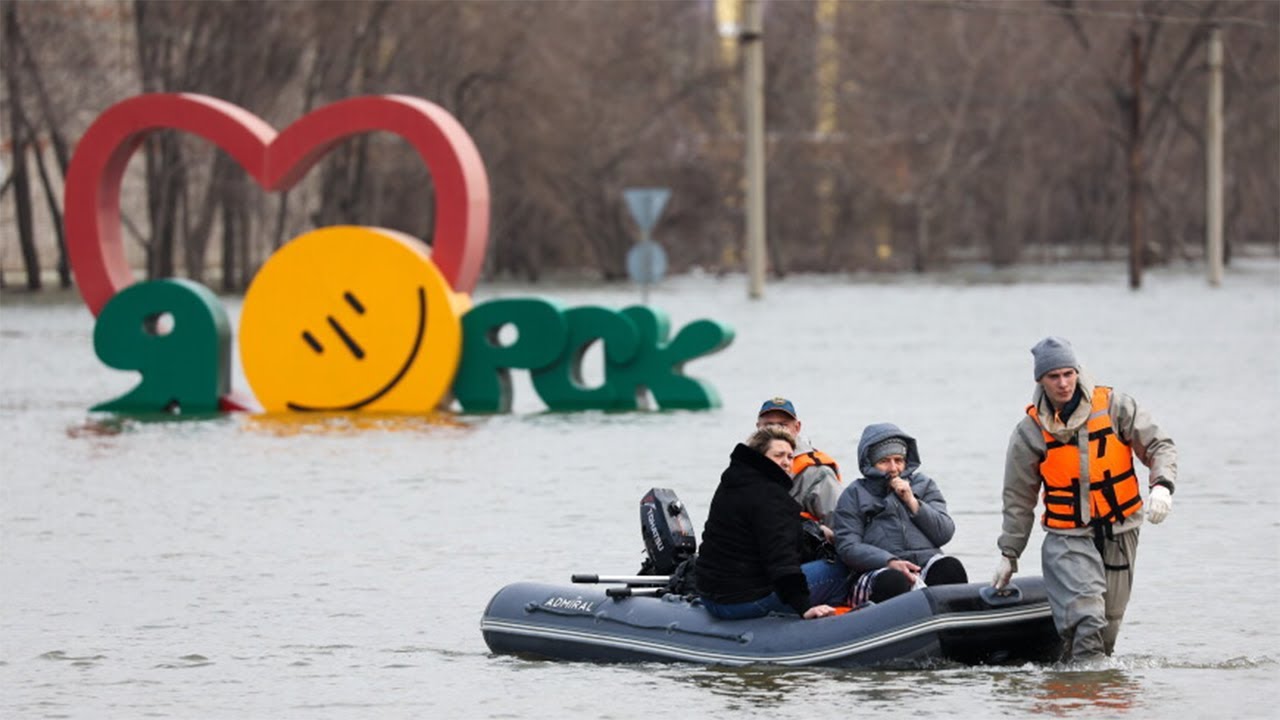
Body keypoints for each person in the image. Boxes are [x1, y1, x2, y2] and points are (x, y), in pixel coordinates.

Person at [992, 336, 1177, 662]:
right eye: (1054, 376)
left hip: (1121, 529)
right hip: (1068, 536)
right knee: (1087, 617)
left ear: (1077, 372)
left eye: (1068, 373)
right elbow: (1018, 498)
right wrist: (1009, 552)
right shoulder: (1030, 432)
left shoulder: (1115, 406)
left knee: (1107, 629)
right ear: (1040, 380)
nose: (1063, 383)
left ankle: (1083, 694)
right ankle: (1081, 691)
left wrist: (1162, 485)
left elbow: (1159, 445)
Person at [696, 425, 848, 620]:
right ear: (761, 456)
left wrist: (815, 528)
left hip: (712, 598)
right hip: (744, 602)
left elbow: (759, 519)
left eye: (790, 457)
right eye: (779, 455)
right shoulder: (771, 497)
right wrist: (803, 606)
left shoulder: (732, 483)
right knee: (838, 570)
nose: (786, 462)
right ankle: (827, 625)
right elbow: (781, 559)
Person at [833, 423, 968, 605]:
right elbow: (848, 546)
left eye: (898, 460)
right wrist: (889, 561)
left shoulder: (924, 485)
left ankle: (956, 628)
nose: (893, 468)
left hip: (924, 563)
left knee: (950, 568)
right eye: (884, 461)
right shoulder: (854, 494)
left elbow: (944, 533)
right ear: (870, 463)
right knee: (895, 580)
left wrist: (912, 501)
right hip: (879, 570)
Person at [755, 397, 843, 527]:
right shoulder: (746, 467)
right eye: (768, 426)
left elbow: (840, 525)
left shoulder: (818, 473)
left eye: (782, 426)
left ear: (797, 427)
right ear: (758, 428)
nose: (775, 431)